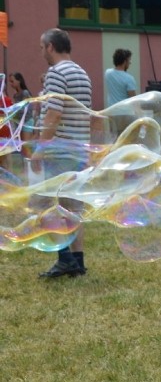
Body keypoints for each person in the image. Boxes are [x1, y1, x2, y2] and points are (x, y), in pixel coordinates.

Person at [37, 27, 93, 278]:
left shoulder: (56, 72)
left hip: (59, 150)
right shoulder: (82, 72)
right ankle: (78, 262)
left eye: (42, 47)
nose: (41, 53)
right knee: (73, 208)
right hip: (79, 149)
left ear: (51, 46)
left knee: (44, 205)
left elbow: (54, 113)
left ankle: (65, 259)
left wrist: (41, 148)